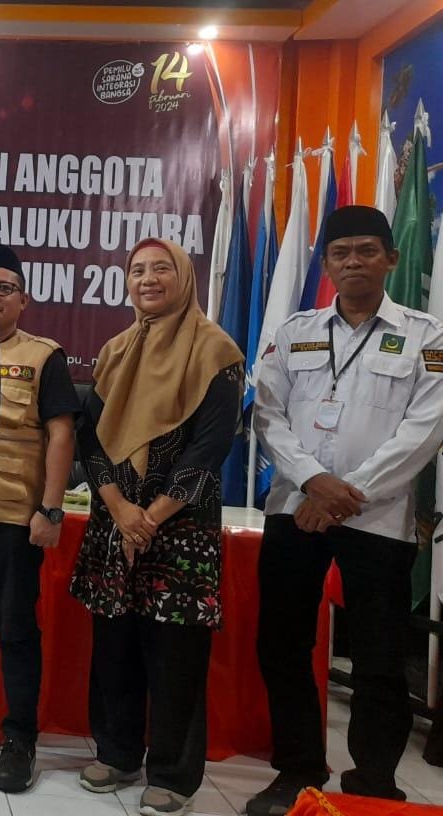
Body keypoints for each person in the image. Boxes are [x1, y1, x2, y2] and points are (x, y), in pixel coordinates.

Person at [247, 205, 443, 814]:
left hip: (376, 518)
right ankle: (297, 769)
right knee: (282, 644)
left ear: (391, 258)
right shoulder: (294, 331)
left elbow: (425, 430)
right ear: (326, 263)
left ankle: (373, 785)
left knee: (379, 657)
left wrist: (343, 493)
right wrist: (312, 481)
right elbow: (267, 415)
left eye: (366, 250)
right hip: (294, 510)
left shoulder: (427, 336)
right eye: (340, 253)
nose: (353, 262)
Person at [70, 238, 243, 816]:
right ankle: (118, 753)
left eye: (161, 268)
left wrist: (151, 517)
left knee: (176, 656)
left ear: (184, 277)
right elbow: (91, 438)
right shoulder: (116, 350)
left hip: (181, 529)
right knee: (114, 647)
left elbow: (209, 448)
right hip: (114, 521)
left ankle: (172, 773)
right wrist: (119, 508)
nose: (147, 278)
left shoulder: (216, 350)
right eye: (137, 270)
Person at [0, 243, 78, 794]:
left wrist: (51, 509)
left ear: (23, 300)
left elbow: (61, 434)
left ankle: (20, 739)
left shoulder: (43, 356)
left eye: (4, 288)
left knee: (16, 634)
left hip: (11, 518)